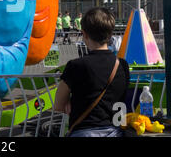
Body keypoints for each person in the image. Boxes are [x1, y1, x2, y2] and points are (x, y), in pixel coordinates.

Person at [53, 7, 130, 137]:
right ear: (110, 34)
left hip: (84, 131)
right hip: (115, 131)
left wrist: (70, 102)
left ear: (85, 34)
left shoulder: (76, 65)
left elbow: (58, 105)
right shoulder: (122, 65)